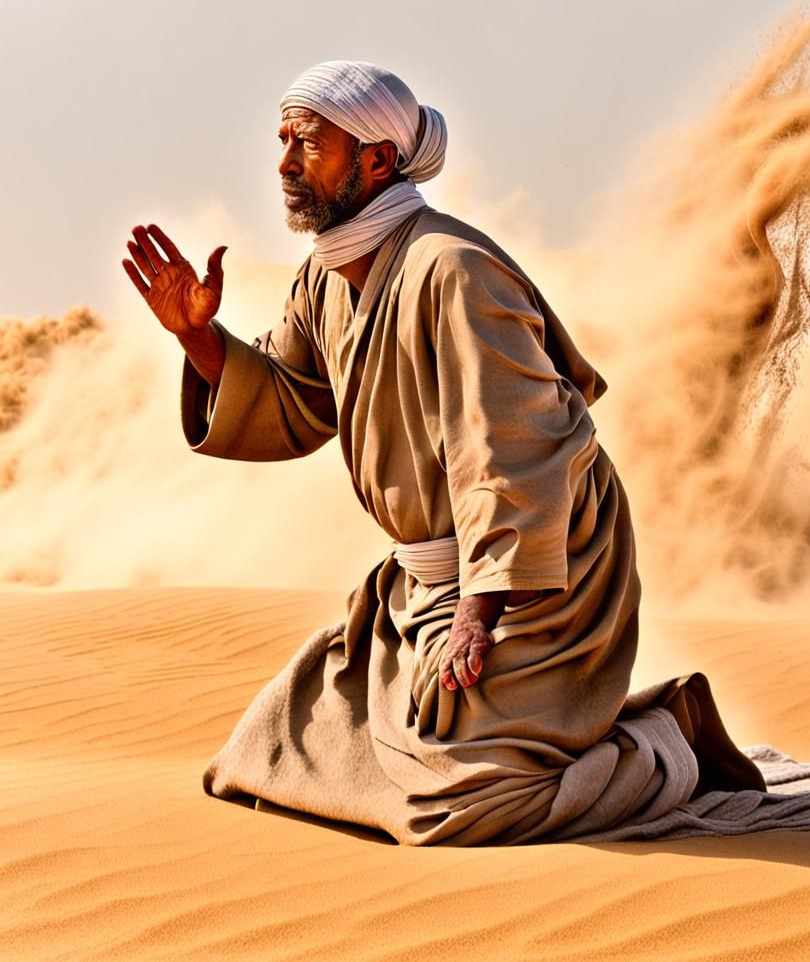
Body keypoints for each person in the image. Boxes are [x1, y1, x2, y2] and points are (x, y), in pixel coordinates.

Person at [121, 60, 767, 847]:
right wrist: (196, 337)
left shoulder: (454, 270)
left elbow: (516, 448)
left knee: (463, 808)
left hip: (542, 570)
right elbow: (292, 398)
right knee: (266, 751)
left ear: (378, 161)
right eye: (284, 141)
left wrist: (478, 611)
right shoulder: (323, 279)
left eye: (309, 144)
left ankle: (666, 744)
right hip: (431, 581)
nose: (286, 163)